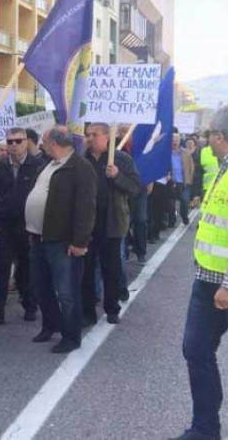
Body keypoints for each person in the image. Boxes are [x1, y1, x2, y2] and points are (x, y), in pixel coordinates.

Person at [172, 106, 228, 440]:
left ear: (219, 137)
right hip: (207, 280)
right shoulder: (223, 167)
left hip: (226, 285)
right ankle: (206, 430)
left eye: (209, 132)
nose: (205, 137)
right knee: (195, 349)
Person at [25, 126, 96, 354]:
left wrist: (80, 243)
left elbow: (86, 209)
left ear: (53, 143)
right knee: (42, 286)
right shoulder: (49, 164)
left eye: (43, 140)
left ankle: (71, 336)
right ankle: (50, 325)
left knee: (67, 292)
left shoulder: (80, 168)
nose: (41, 145)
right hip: (38, 238)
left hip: (62, 242)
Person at [81, 123, 141, 326]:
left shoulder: (122, 159)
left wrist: (117, 176)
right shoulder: (82, 159)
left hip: (112, 223)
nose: (90, 138)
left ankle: (112, 308)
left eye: (94, 134)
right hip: (87, 225)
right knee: (86, 271)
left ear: (107, 136)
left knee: (111, 269)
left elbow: (135, 187)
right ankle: (87, 311)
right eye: (87, 135)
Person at [0, 127, 42, 325]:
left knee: (27, 268)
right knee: (0, 269)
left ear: (26, 142)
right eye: (10, 141)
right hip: (4, 225)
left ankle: (30, 305)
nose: (14, 145)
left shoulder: (37, 165)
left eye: (18, 141)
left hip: (28, 225)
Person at [171, 132, 195, 226]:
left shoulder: (185, 152)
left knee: (184, 202)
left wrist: (189, 179)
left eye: (176, 138)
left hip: (183, 182)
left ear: (180, 140)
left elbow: (191, 167)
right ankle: (171, 221)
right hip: (172, 182)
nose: (174, 140)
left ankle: (184, 216)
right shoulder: (166, 152)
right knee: (171, 204)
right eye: (173, 138)